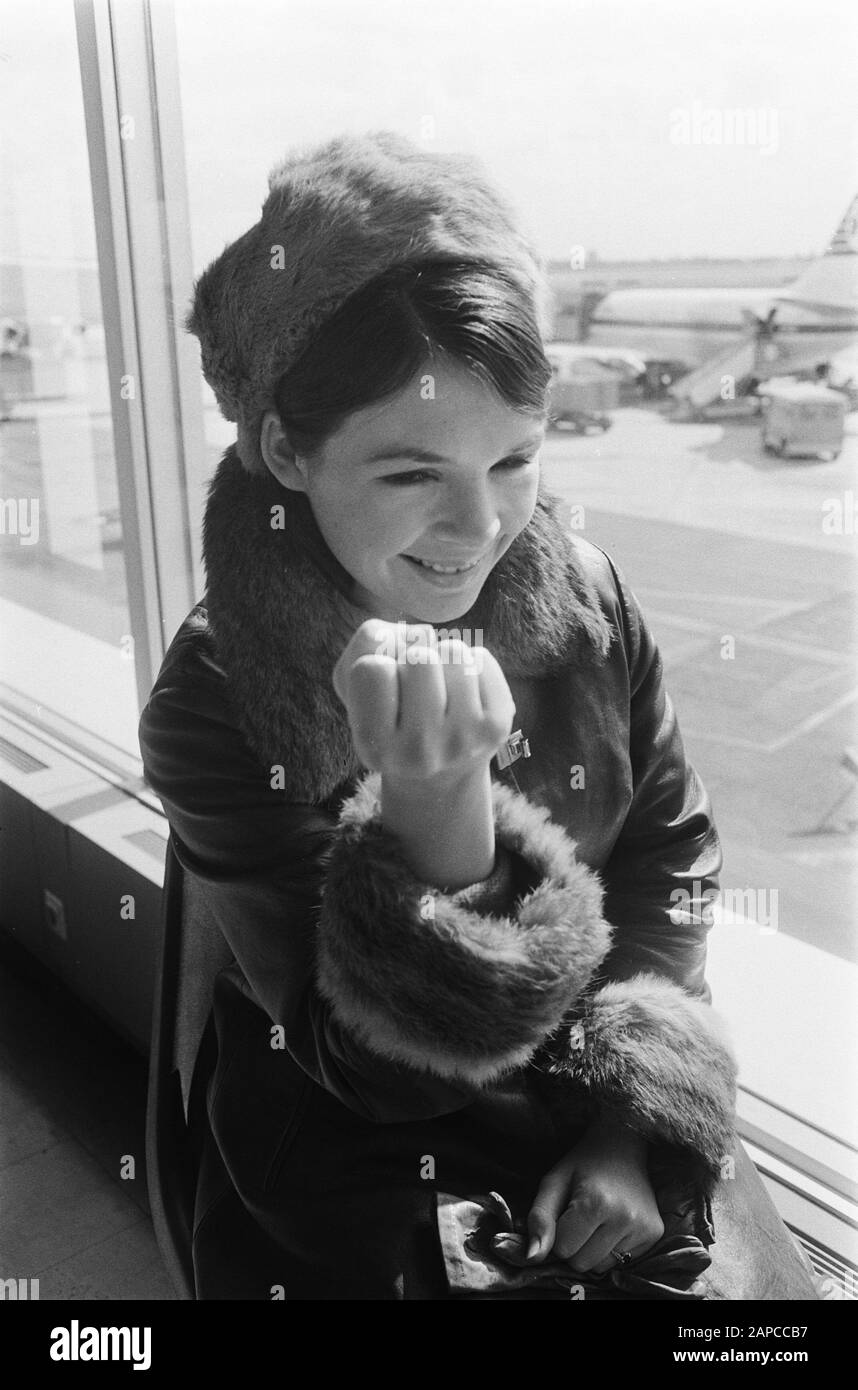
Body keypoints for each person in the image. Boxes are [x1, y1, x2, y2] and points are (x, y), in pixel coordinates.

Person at [139, 131, 819, 1301]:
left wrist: (630, 1119)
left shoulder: (588, 599)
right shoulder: (217, 698)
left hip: (604, 1112)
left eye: (515, 461)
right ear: (287, 452)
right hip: (362, 1169)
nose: (478, 529)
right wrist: (435, 813)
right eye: (411, 475)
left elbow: (674, 853)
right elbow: (373, 1075)